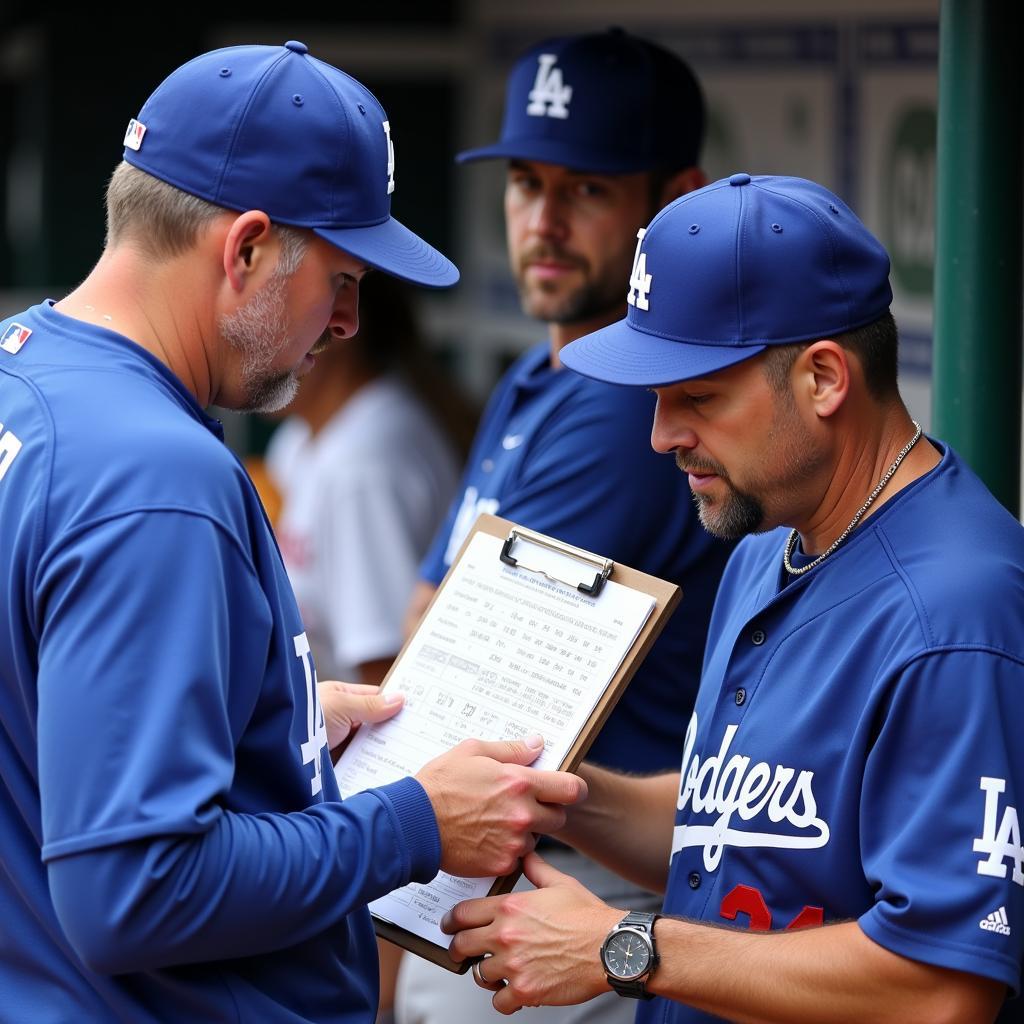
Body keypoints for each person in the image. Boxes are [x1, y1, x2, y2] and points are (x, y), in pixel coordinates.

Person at [0, 41, 587, 1024]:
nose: (352, 321)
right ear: (247, 248)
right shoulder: (156, 473)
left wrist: (276, 722)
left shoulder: (23, 374)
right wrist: (409, 824)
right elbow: (132, 890)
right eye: (342, 278)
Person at [443, 173, 1024, 1023]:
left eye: (700, 398)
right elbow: (729, 833)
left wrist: (621, 948)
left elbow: (939, 987)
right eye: (656, 397)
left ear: (823, 379)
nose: (662, 435)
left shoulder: (957, 614)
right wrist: (563, 792)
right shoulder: (763, 544)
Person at [395, 27, 736, 1024]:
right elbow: (425, 630)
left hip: (588, 888)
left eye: (585, 189)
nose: (541, 221)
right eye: (524, 183)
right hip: (497, 870)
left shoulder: (624, 407)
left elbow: (457, 661)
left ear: (673, 204)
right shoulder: (533, 377)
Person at [266, 272, 471, 687]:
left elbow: (384, 682)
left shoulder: (363, 467)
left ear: (336, 327)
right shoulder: (301, 437)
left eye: (272, 304)